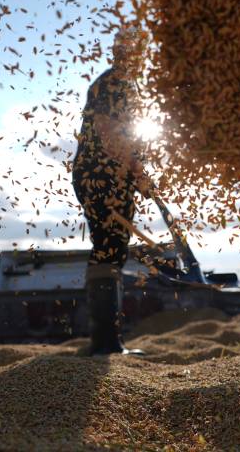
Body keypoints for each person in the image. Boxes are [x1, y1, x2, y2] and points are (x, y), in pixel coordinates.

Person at [72, 27, 154, 355]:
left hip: (116, 179)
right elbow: (108, 133)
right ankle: (104, 342)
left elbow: (130, 136)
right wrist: (138, 169)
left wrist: (137, 173)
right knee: (108, 246)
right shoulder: (110, 83)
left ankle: (108, 340)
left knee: (115, 247)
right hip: (99, 177)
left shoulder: (130, 87)